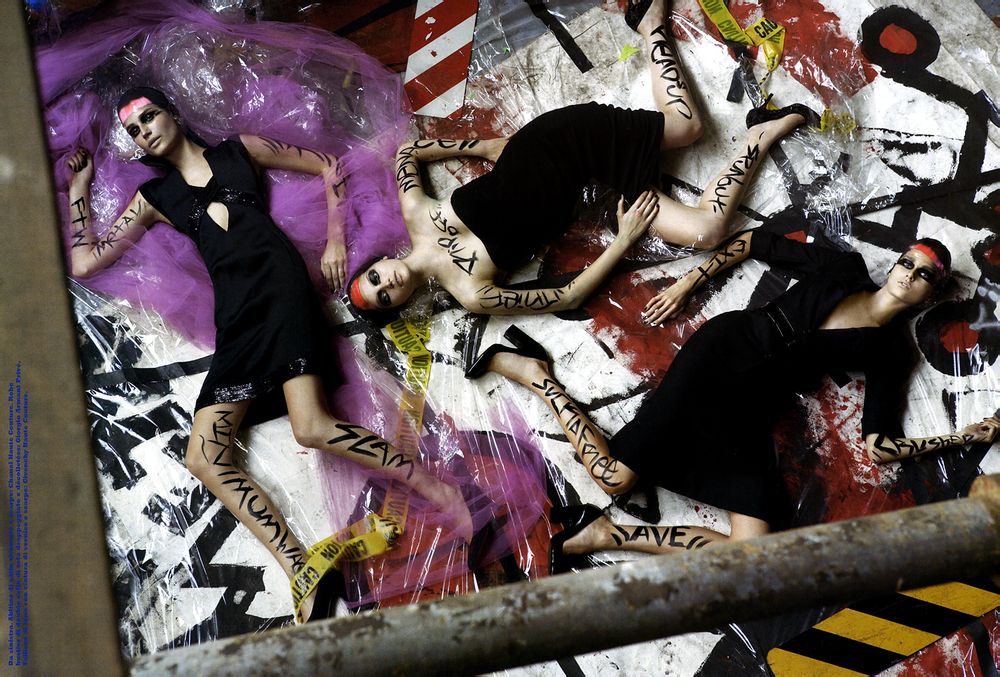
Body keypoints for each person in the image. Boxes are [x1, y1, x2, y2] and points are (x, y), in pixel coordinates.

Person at [65, 87, 472, 622]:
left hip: (282, 291)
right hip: (236, 317)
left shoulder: (240, 150)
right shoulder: (155, 197)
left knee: (312, 427)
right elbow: (84, 263)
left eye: (150, 116)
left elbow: (328, 165)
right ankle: (299, 567)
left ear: (173, 113)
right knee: (204, 457)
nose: (145, 131)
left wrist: (335, 237)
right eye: (135, 130)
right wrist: (79, 187)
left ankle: (434, 487)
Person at [467, 229, 1000, 572]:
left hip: (749, 412)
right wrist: (688, 282)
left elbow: (879, 446)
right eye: (907, 262)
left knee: (753, 553)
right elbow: (753, 242)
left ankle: (608, 532)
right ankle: (537, 375)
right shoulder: (845, 269)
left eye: (924, 275)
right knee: (613, 478)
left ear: (931, 294)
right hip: (721, 356)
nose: (908, 274)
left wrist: (962, 436)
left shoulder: (892, 352)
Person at [346, 0, 819, 320]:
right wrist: (623, 240)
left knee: (688, 128)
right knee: (708, 232)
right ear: (400, 304)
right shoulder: (471, 294)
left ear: (378, 261)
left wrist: (485, 145)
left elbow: (407, 152)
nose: (388, 283)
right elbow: (567, 295)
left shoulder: (416, 213)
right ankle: (759, 133)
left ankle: (650, 23)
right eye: (385, 296)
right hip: (590, 183)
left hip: (559, 142)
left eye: (375, 278)